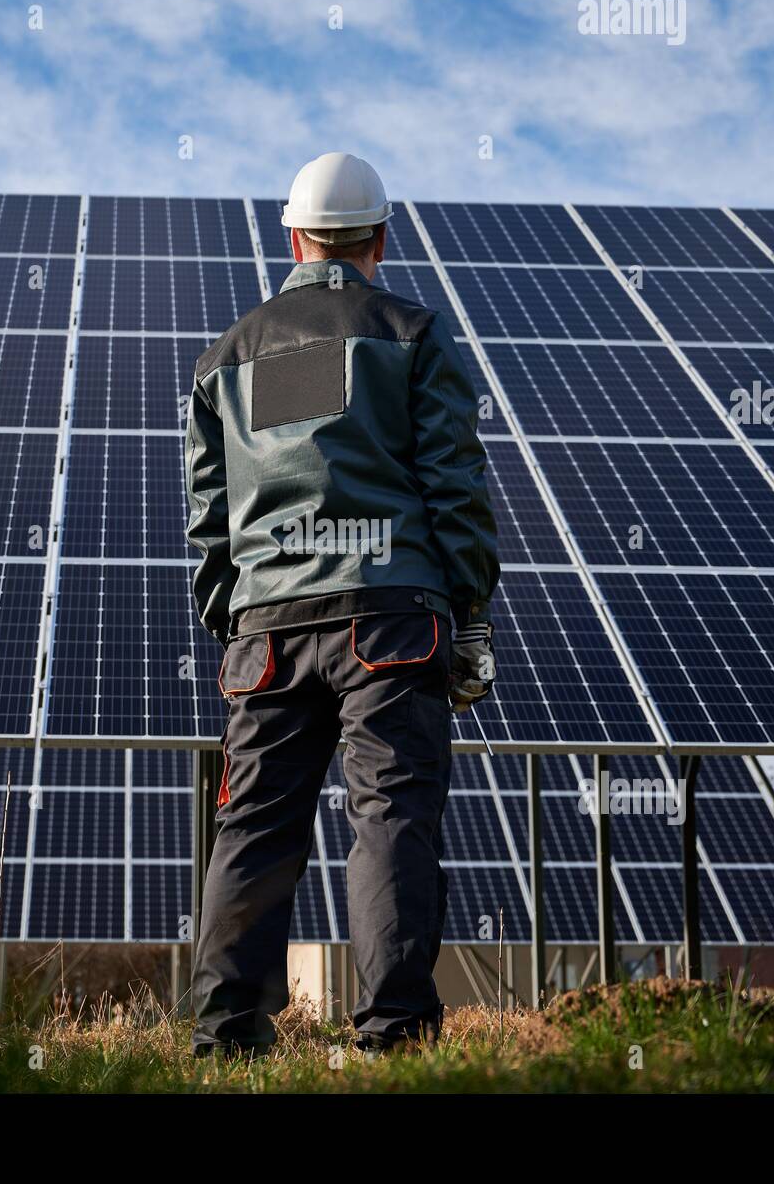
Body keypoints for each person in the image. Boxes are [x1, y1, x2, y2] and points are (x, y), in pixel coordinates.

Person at [184, 152, 499, 1056]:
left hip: (268, 630)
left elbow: (209, 524)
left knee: (250, 825)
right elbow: (456, 488)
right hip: (391, 616)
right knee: (391, 815)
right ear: (381, 239)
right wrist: (468, 609)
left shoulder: (226, 358)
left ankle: (224, 1035)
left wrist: (236, 621)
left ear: (293, 237)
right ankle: (395, 1033)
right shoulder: (410, 333)